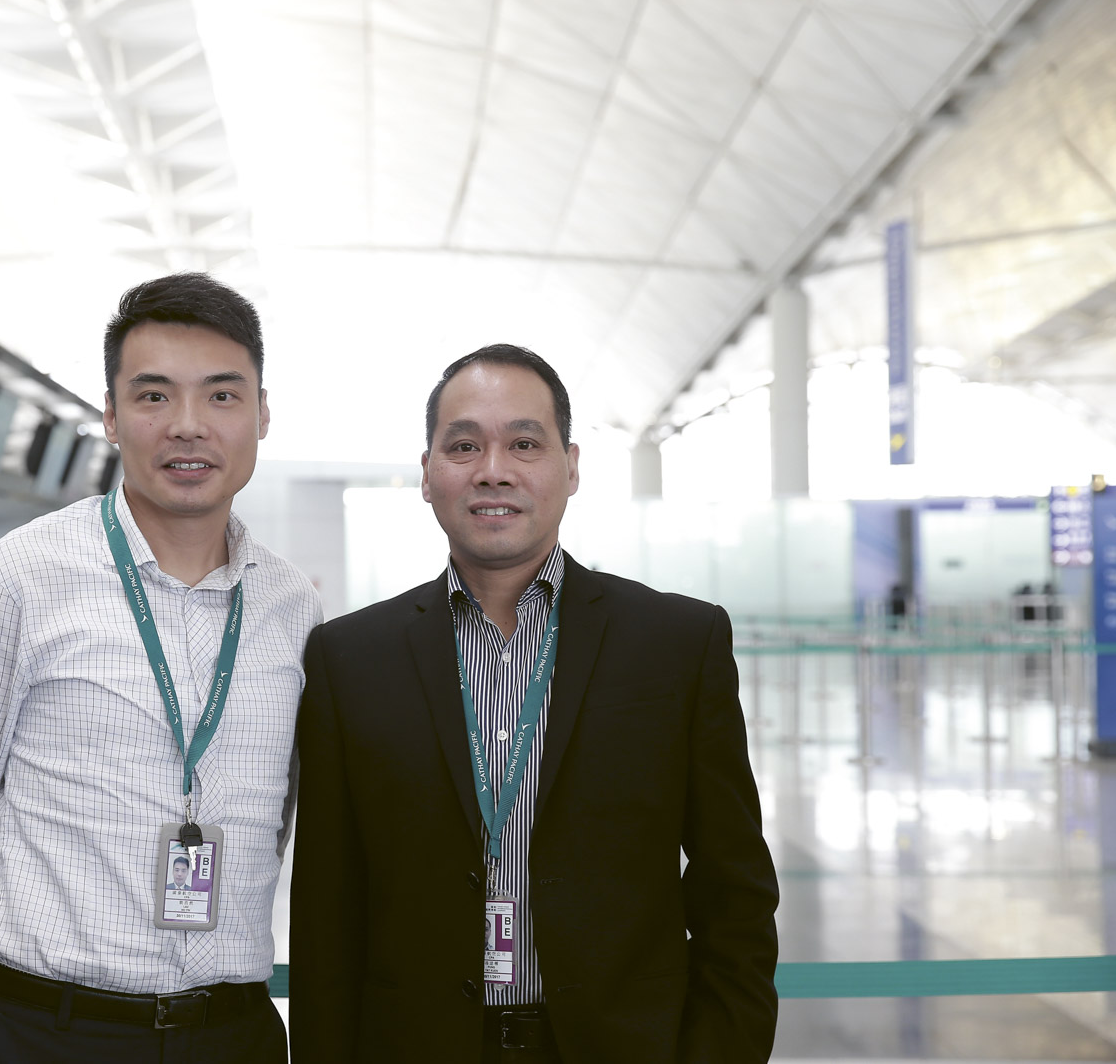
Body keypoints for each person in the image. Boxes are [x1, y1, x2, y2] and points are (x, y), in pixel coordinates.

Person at [289, 345, 779, 1063]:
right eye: (464, 445)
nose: (493, 469)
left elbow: (733, 893)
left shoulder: (677, 644)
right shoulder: (350, 659)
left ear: (570, 466)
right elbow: (327, 918)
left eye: (524, 442)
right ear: (427, 472)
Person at [0, 272, 322, 1063]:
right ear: (111, 416)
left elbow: (285, 820)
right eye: (154, 396)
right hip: (47, 1029)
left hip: (232, 1033)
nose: (189, 427)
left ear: (263, 414)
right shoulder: (12, 583)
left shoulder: (291, 606)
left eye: (223, 397)